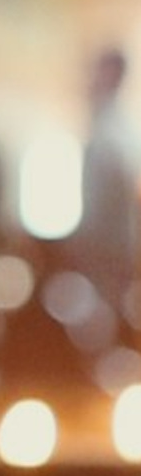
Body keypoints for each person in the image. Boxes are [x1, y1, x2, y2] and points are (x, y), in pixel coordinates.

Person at [72, 44, 141, 328]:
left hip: (112, 254)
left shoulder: (118, 134)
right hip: (96, 250)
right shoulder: (100, 128)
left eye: (95, 71)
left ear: (112, 75)